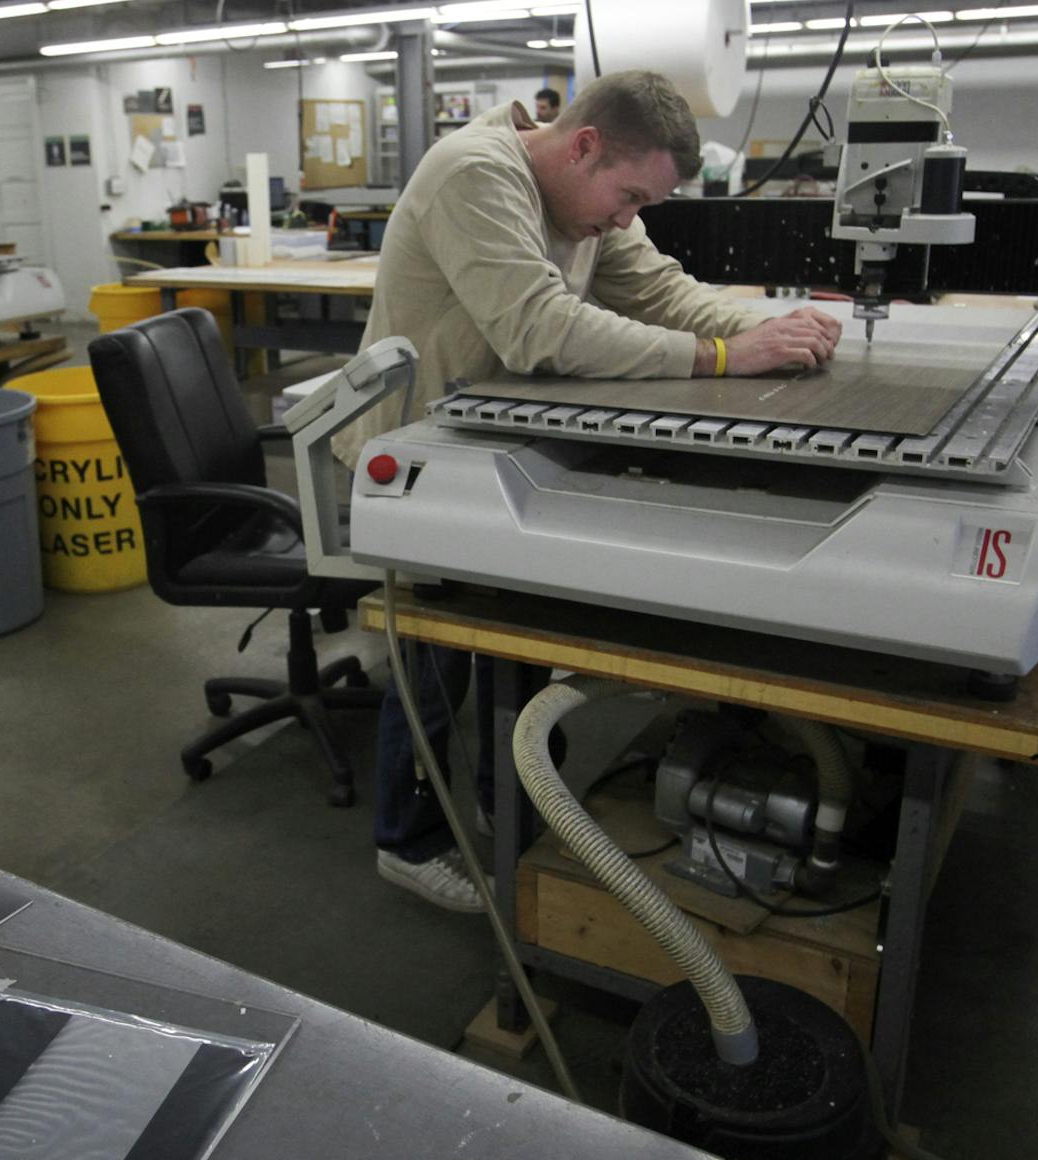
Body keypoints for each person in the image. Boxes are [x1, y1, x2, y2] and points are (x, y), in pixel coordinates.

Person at [334, 69, 841, 911]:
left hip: (494, 448)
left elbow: (661, 292)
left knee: (519, 645)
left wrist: (762, 325)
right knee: (433, 659)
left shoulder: (586, 204)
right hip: (414, 459)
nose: (625, 217)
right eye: (629, 195)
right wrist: (723, 358)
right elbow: (540, 328)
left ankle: (515, 804)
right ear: (584, 146)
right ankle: (405, 839)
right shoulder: (476, 175)